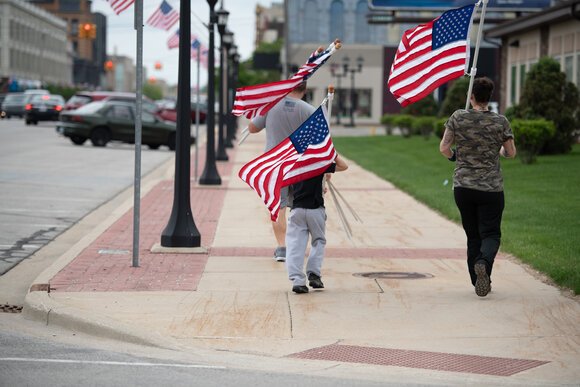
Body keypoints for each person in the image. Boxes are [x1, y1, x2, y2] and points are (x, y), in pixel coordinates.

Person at [439, 76, 517, 297]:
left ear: (471, 97)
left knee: (473, 235)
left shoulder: (457, 117)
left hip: (463, 187)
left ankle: (479, 280)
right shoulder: (500, 121)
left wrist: (455, 156)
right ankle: (483, 264)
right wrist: (498, 152)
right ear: (489, 98)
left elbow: (443, 148)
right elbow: (510, 153)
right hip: (491, 188)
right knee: (491, 233)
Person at [248, 81, 315, 262]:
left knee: (279, 208)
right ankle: (297, 247)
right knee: (300, 208)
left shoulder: (271, 106)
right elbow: (320, 140)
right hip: (300, 164)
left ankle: (282, 248)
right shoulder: (309, 110)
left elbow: (252, 128)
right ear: (305, 90)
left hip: (275, 164)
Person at [285, 154, 349, 294]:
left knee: (295, 245)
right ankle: (314, 274)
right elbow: (344, 166)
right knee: (318, 241)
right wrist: (334, 154)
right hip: (316, 210)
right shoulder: (320, 163)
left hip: (297, 210)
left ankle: (298, 281)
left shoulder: (293, 164)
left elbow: (289, 187)